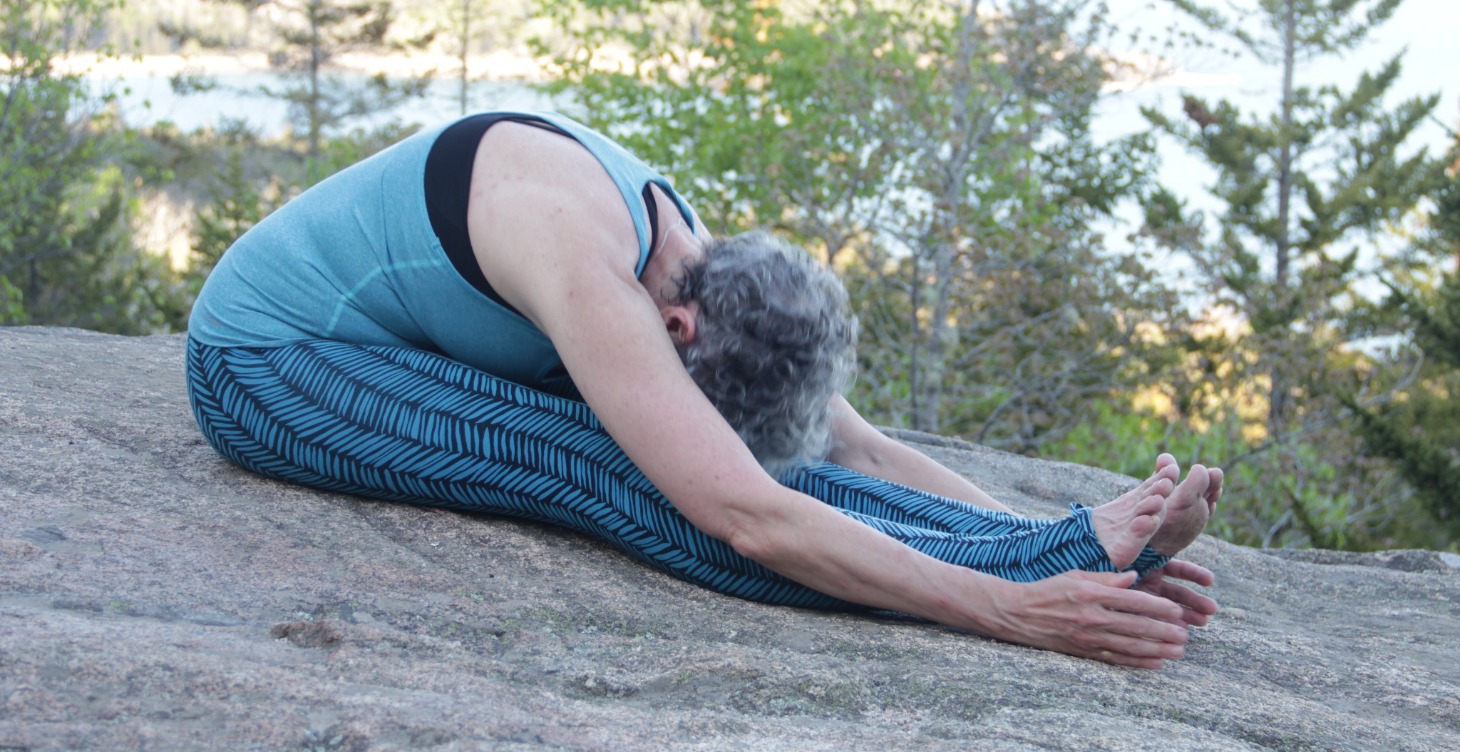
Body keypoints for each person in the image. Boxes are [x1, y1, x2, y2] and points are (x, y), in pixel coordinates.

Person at [185, 111, 1223, 669]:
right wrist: (1011, 608)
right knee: (599, 462)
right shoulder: (587, 265)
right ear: (677, 332)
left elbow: (851, 448)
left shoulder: (703, 264)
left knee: (729, 461)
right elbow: (746, 513)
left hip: (399, 343)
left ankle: (1044, 549)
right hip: (268, 363)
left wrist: (1059, 540)